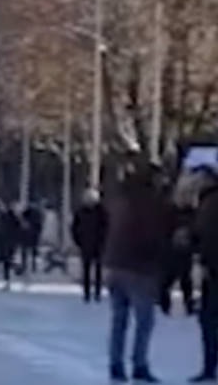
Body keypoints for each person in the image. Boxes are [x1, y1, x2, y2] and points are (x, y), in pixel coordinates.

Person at [104, 164, 168, 383]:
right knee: (144, 320)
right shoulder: (150, 202)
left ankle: (115, 364)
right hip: (139, 267)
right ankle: (139, 363)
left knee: (119, 319)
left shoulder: (120, 199)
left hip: (114, 263)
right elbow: (152, 235)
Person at [190, 166, 218, 383]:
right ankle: (209, 366)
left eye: (198, 179)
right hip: (211, 267)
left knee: (209, 320)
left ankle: (209, 366)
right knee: (209, 319)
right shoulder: (205, 202)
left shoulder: (210, 203)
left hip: (214, 269)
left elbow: (208, 236)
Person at [71, 189, 108, 303]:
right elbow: (74, 228)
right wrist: (78, 240)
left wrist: (103, 240)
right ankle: (87, 293)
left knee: (97, 270)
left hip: (97, 244)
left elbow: (107, 227)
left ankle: (97, 292)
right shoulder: (81, 212)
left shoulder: (102, 212)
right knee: (86, 270)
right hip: (86, 244)